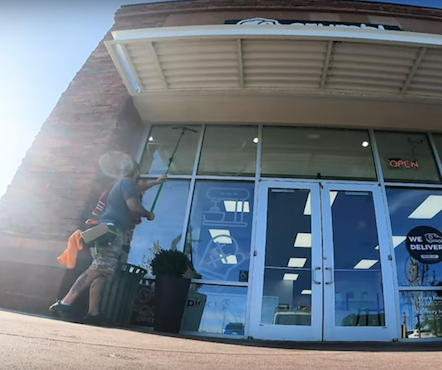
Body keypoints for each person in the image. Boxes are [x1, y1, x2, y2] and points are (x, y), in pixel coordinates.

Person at [49, 160, 165, 325]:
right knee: (97, 268)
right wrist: (148, 214)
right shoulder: (127, 183)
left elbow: (139, 188)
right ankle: (65, 303)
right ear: (136, 172)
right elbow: (133, 206)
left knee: (102, 272)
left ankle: (93, 313)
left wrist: (156, 183)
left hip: (105, 230)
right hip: (110, 231)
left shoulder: (122, 183)